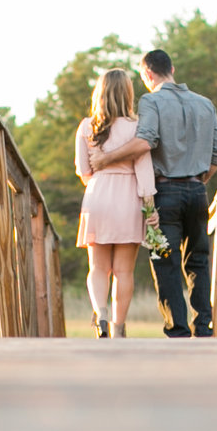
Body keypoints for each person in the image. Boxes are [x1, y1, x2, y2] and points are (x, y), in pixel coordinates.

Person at [90, 47, 217, 338]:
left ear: (148, 74)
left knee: (166, 262)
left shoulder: (151, 100)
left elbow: (145, 142)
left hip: (166, 194)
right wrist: (199, 179)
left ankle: (178, 331)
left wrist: (105, 159)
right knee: (199, 261)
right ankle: (204, 327)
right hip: (197, 192)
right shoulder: (205, 104)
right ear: (172, 69)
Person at [74, 68, 156, 339]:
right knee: (124, 270)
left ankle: (102, 315)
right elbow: (145, 172)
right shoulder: (137, 128)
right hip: (129, 196)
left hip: (97, 195)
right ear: (128, 94)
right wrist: (150, 206)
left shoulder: (87, 126)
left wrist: (100, 181)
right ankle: (119, 327)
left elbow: (83, 171)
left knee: (97, 267)